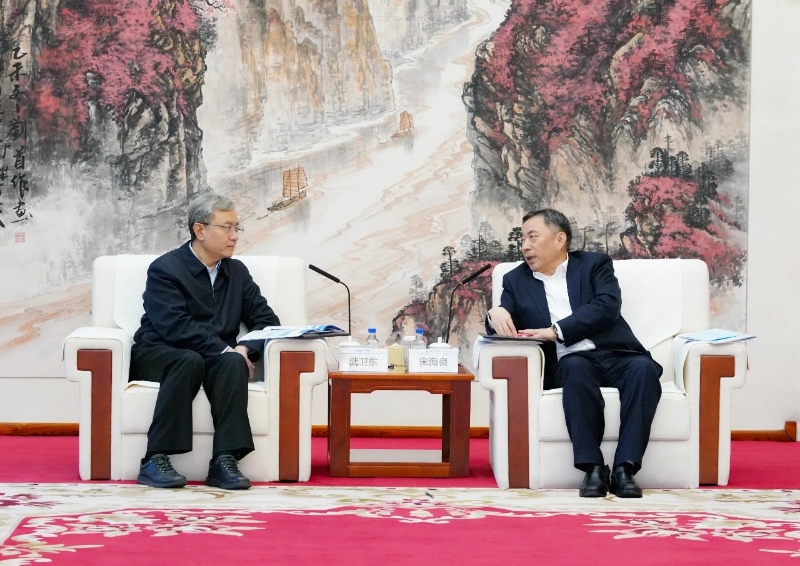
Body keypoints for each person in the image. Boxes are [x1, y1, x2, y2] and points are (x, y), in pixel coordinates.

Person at [487, 209, 662, 498]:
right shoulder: (516, 280)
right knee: (576, 369)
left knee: (643, 369)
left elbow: (607, 306)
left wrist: (556, 330)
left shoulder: (594, 265)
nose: (525, 246)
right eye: (522, 240)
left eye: (533, 237)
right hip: (570, 361)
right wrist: (495, 313)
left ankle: (625, 468)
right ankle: (593, 468)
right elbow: (505, 324)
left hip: (617, 352)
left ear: (560, 239)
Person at [130, 193, 280, 490]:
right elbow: (174, 326)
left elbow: (267, 321)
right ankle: (154, 459)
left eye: (237, 228)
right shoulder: (165, 269)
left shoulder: (237, 272)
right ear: (200, 230)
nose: (235, 236)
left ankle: (225, 460)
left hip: (210, 356)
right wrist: (224, 348)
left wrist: (244, 349)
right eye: (227, 228)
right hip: (159, 351)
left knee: (233, 363)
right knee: (188, 359)